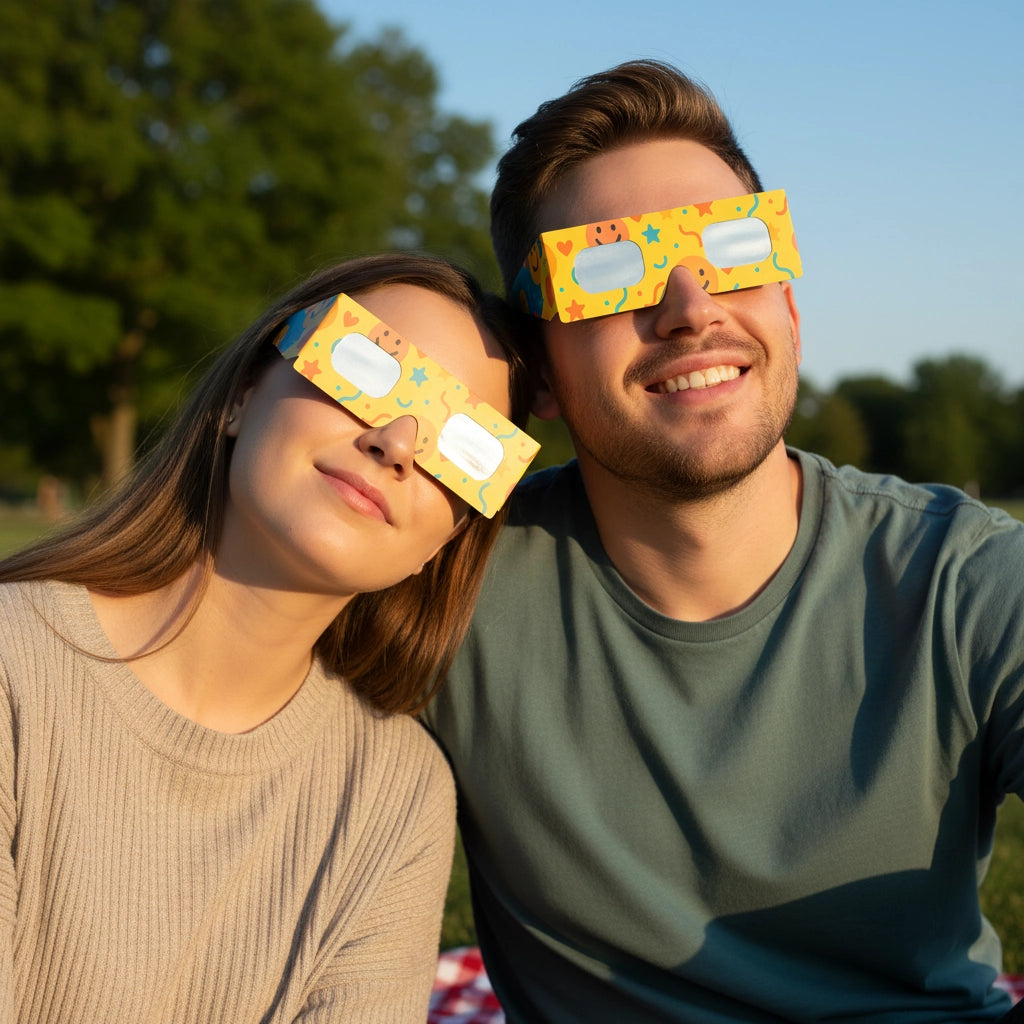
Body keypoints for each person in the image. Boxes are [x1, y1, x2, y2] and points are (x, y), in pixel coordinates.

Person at [423, 61, 1024, 1022]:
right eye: (609, 268)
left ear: (789, 309)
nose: (691, 307)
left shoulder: (968, 579)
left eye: (735, 249)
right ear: (536, 369)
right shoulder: (445, 588)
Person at [0, 252, 537, 1022]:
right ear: (244, 394)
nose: (397, 441)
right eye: (365, 368)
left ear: (448, 538)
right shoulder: (13, 668)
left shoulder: (397, 796)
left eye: (466, 447)